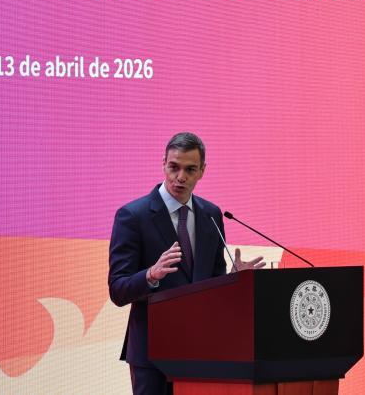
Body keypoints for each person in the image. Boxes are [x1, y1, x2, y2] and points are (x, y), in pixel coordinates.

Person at [108, 132, 265, 395]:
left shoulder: (211, 215)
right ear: (163, 164)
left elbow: (211, 285)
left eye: (190, 169)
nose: (180, 177)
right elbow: (117, 289)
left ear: (202, 171)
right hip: (152, 353)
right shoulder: (133, 216)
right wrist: (150, 276)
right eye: (174, 167)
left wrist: (234, 279)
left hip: (200, 351)